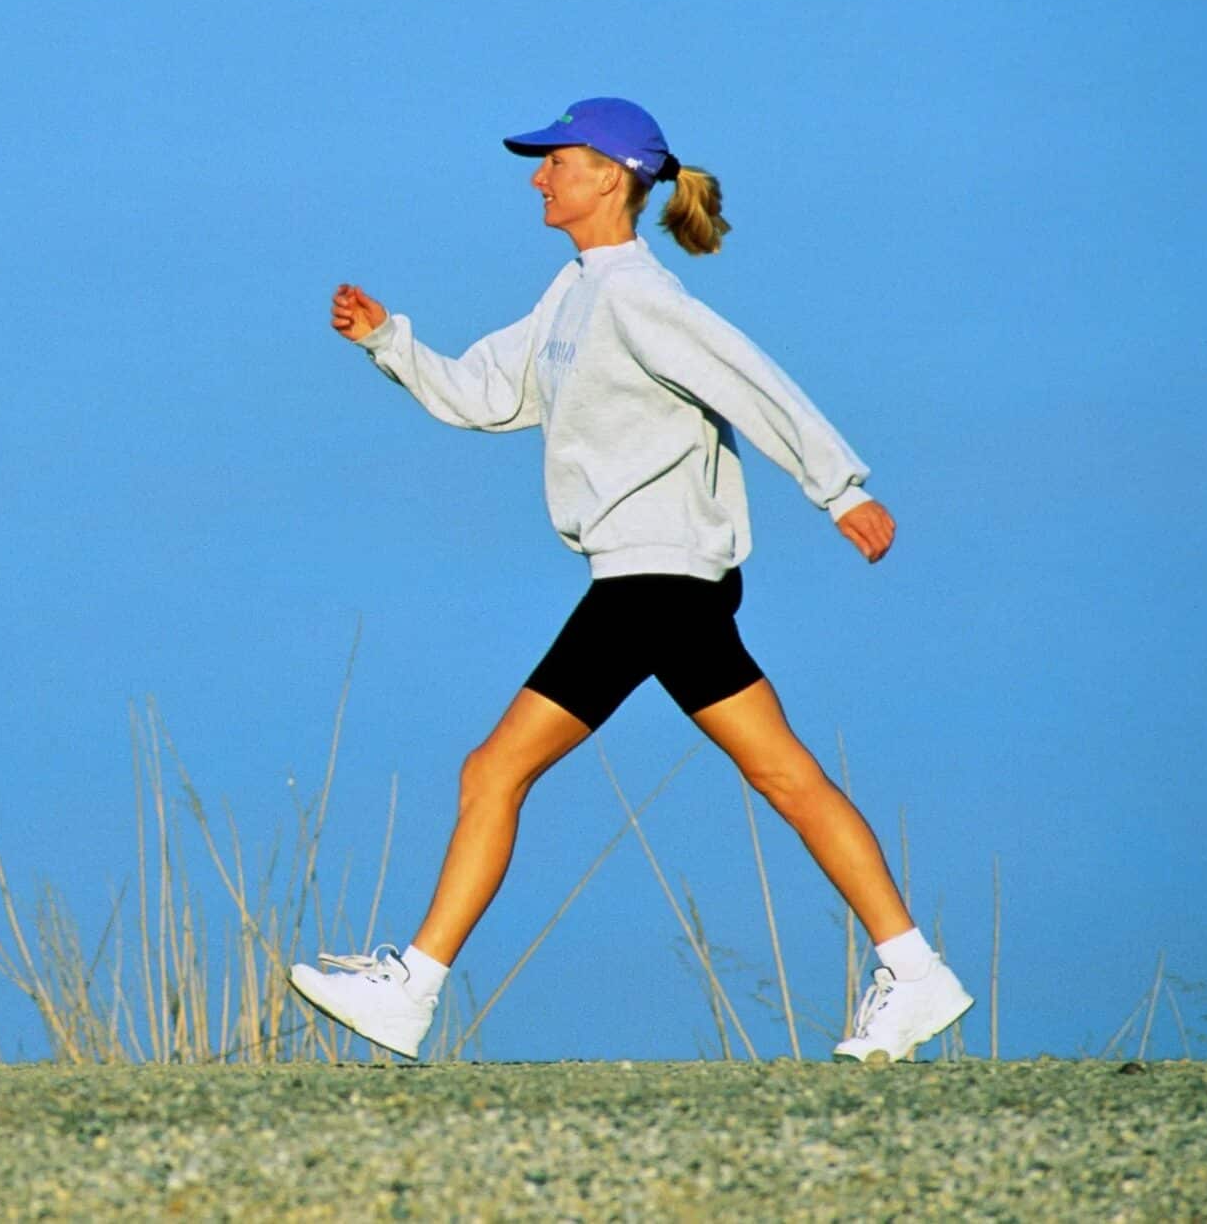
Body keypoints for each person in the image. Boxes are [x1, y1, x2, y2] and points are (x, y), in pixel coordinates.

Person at [288, 97, 971, 1064]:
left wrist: (840, 489)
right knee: (783, 772)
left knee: (495, 769)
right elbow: (489, 394)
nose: (537, 176)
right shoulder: (572, 294)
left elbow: (753, 381)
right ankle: (915, 970)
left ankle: (414, 986)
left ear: (610, 175)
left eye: (554, 160)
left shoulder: (639, 297)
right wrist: (388, 341)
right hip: (663, 578)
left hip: (654, 575)